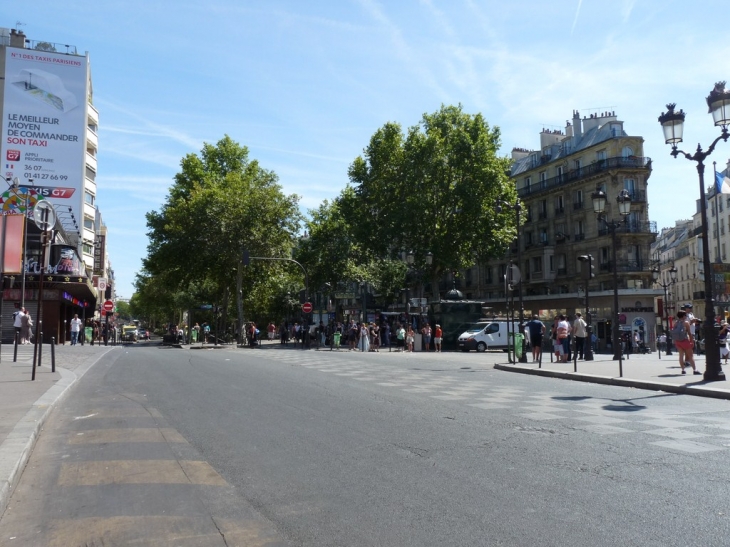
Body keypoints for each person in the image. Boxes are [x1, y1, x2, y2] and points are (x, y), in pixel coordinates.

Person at [673, 310, 701, 375]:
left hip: (678, 341)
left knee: (681, 356)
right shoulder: (686, 323)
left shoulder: (676, 323)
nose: (686, 316)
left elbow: (674, 332)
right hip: (685, 340)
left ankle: (683, 370)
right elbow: (689, 333)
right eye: (685, 315)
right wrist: (691, 341)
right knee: (690, 356)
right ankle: (695, 370)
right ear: (683, 316)